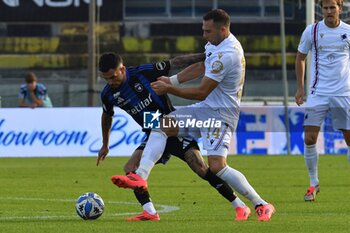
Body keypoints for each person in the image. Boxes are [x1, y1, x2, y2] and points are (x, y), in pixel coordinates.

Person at [112, 9, 275, 221]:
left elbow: (201, 91)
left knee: (216, 166)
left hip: (220, 115)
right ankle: (141, 178)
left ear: (223, 30)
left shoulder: (228, 55)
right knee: (161, 124)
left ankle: (261, 204)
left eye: (207, 31)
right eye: (203, 29)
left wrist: (169, 89)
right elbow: (200, 65)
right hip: (206, 110)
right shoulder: (216, 45)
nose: (204, 35)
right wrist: (172, 81)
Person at [97, 52, 251, 221]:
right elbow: (107, 116)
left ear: (122, 69)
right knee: (130, 168)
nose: (111, 82)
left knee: (200, 167)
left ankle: (239, 205)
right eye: (107, 79)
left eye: (113, 77)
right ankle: (150, 212)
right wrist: (105, 144)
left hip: (172, 126)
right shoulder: (108, 94)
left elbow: (175, 62)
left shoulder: (142, 73)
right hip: (153, 131)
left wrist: (205, 55)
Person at [295, 0, 350, 201]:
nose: (328, 11)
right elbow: (300, 57)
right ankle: (313, 183)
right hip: (318, 93)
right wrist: (301, 88)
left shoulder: (348, 32)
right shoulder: (312, 31)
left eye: (332, 7)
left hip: (344, 93)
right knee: (309, 138)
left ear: (340, 8)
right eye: (325, 8)